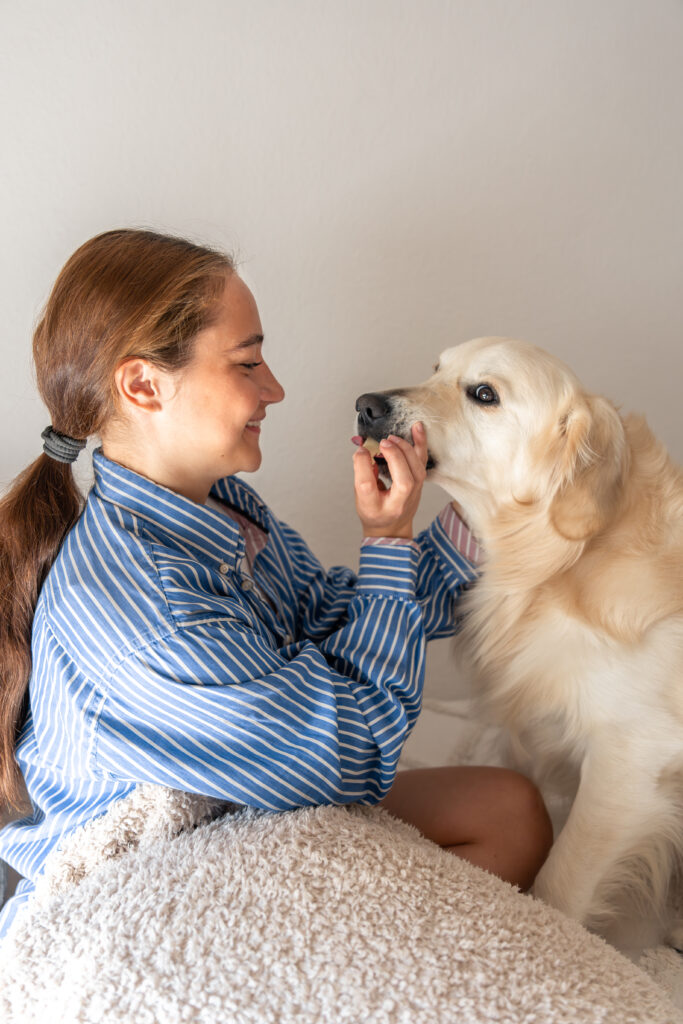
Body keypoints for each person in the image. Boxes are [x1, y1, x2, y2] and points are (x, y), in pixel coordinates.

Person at [0, 229, 552, 939]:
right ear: (142, 385)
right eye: (247, 362)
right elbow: (351, 752)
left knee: (505, 808)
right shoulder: (147, 609)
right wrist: (385, 543)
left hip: (248, 797)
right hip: (152, 871)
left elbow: (329, 621)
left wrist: (494, 500)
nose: (275, 388)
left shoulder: (221, 510)